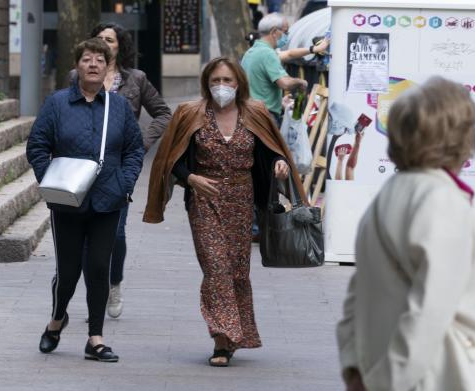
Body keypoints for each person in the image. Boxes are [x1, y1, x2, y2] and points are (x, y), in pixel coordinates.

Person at [336, 77, 475, 391]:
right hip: (436, 379)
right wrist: (384, 385)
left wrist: (355, 369)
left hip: (405, 373)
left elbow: (358, 293)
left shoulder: (392, 193)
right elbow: (430, 309)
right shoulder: (438, 201)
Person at [143, 57, 306, 367]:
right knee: (216, 267)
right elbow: (169, 157)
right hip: (205, 200)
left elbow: (272, 152)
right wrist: (190, 178)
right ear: (206, 82)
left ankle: (234, 337)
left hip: (242, 201)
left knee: (237, 270)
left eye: (227, 81)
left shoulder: (255, 112)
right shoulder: (190, 113)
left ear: (239, 83)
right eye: (215, 80)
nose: (221, 86)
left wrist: (279, 165)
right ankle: (222, 338)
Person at [27, 38, 144, 362]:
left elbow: (134, 149)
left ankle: (95, 338)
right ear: (77, 66)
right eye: (87, 59)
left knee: (98, 268)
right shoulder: (57, 104)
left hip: (109, 200)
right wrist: (50, 180)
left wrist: (126, 181)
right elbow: (37, 145)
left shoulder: (118, 107)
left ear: (108, 67)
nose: (93, 64)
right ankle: (56, 320)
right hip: (67, 201)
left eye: (99, 60)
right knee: (67, 271)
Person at [70, 22, 172, 319]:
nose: (103, 44)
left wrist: (142, 142)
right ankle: (95, 295)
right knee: (87, 233)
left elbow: (163, 113)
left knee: (115, 232)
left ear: (119, 46)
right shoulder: (75, 77)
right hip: (82, 164)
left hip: (118, 165)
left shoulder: (135, 79)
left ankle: (113, 283)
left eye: (110, 40)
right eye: (98, 39)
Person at [241, 12, 307, 127]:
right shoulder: (268, 54)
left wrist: (278, 103)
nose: (287, 36)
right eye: (285, 32)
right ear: (274, 32)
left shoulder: (250, 53)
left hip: (248, 114)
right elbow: (284, 83)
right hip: (264, 117)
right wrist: (300, 82)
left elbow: (257, 89)